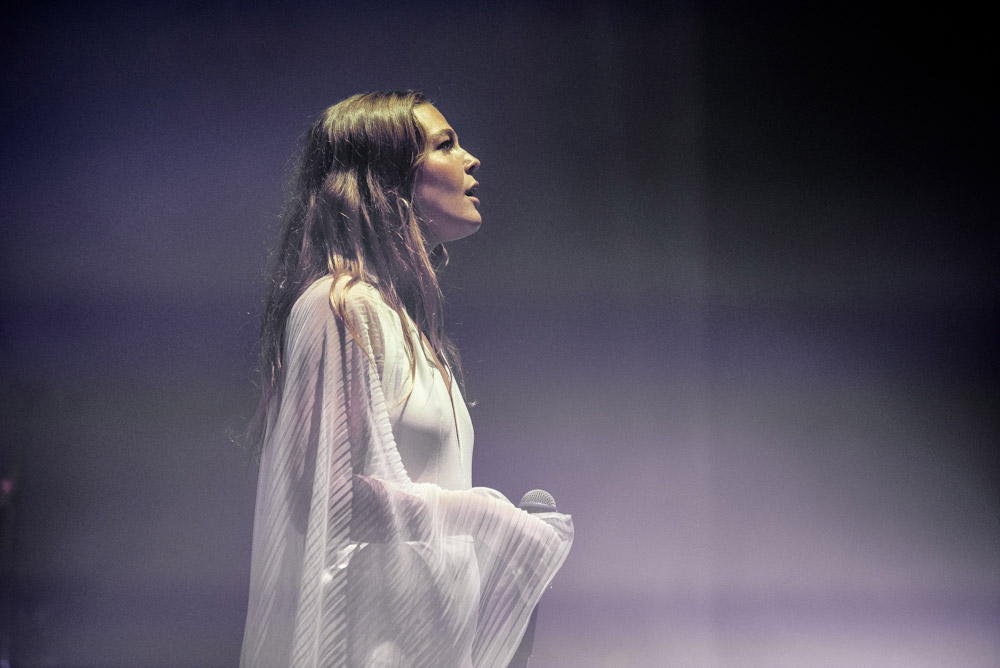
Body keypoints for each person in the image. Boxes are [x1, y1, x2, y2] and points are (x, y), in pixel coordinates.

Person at [240, 90, 573, 668]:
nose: (471, 159)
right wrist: (487, 517)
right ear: (386, 179)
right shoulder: (338, 305)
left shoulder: (410, 328)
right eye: (445, 145)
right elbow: (322, 498)